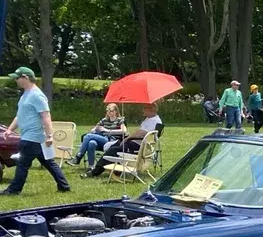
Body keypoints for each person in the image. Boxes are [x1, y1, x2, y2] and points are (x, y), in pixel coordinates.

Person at [2, 66, 71, 194]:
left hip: (32, 137)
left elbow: (46, 115)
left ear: (26, 78)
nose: (16, 80)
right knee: (49, 162)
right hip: (33, 138)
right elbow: (20, 115)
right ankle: (64, 186)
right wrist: (10, 129)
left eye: (17, 78)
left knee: (22, 164)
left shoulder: (37, 95)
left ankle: (14, 190)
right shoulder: (25, 95)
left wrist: (50, 136)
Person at [88, 103, 161, 177]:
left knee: (112, 150)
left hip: (137, 146)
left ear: (150, 109)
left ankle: (95, 172)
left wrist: (127, 139)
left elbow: (140, 133)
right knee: (114, 146)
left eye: (144, 109)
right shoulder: (153, 119)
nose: (142, 110)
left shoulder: (153, 121)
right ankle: (116, 170)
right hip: (139, 144)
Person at [69, 103, 126, 169]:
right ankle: (91, 167)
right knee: (91, 143)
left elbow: (124, 131)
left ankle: (79, 156)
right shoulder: (104, 120)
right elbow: (93, 129)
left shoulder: (119, 120)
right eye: (108, 110)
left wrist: (107, 130)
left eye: (111, 111)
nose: (109, 112)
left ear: (116, 111)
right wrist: (95, 130)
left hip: (111, 140)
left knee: (87, 136)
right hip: (102, 139)